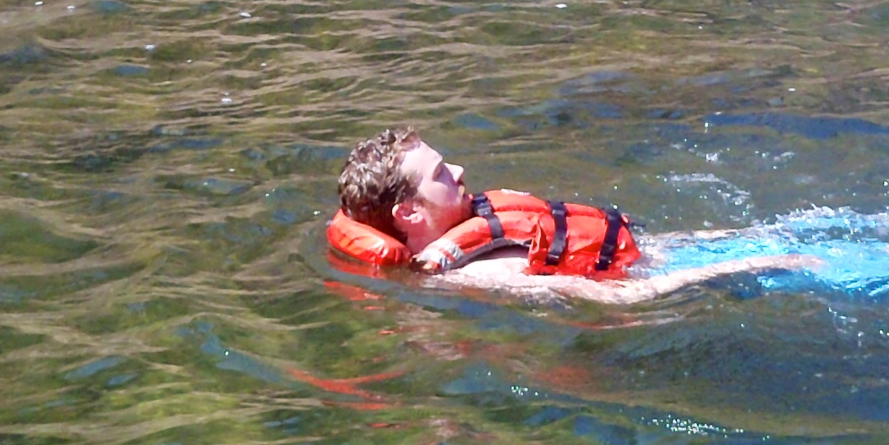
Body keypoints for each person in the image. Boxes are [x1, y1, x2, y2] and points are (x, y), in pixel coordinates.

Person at [334, 127, 824, 304]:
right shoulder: (476, 274)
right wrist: (761, 263)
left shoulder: (471, 225)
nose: (458, 170)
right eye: (440, 173)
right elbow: (625, 298)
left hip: (658, 251)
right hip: (684, 272)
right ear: (408, 212)